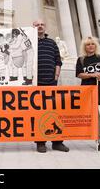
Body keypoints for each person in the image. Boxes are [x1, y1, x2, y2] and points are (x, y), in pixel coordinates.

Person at [33, 19, 69, 153]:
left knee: (55, 113)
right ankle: (40, 143)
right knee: (39, 114)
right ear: (33, 27)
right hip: (36, 85)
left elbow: (58, 61)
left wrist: (56, 77)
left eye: (42, 24)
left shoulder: (52, 43)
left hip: (51, 83)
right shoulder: (30, 43)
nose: (40, 26)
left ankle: (57, 142)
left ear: (45, 27)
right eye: (37, 25)